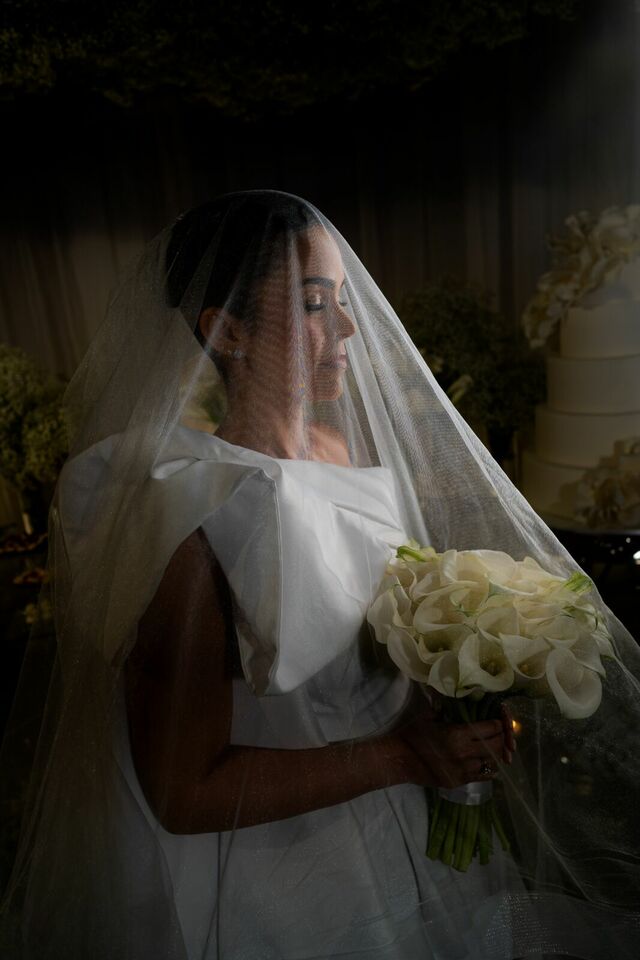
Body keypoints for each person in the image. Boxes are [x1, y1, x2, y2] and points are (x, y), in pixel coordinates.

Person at [1, 190, 639, 959]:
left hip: (406, 824)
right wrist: (401, 757)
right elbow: (181, 791)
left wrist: (455, 695)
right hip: (284, 877)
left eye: (342, 299)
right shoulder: (196, 517)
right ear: (227, 331)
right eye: (313, 303)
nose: (347, 327)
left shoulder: (345, 457)